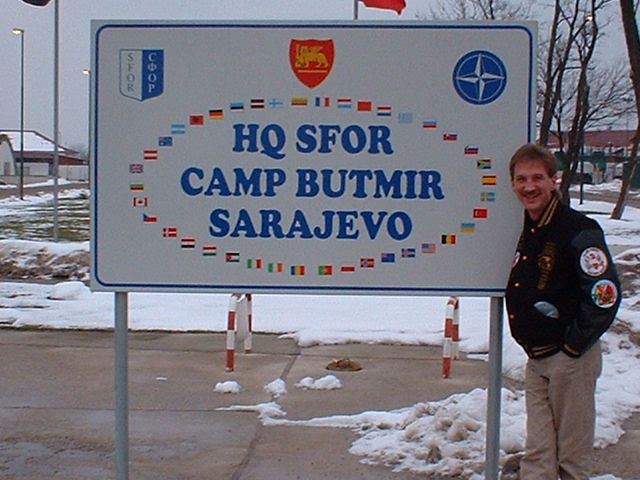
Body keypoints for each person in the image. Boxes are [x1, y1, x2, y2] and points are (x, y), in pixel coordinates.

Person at [505, 143, 621, 480]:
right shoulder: (530, 228)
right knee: (538, 454)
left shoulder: (577, 229)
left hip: (570, 360)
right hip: (536, 359)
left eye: (538, 178)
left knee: (571, 458)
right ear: (513, 183)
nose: (529, 187)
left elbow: (605, 295)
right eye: (521, 179)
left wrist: (572, 347)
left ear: (554, 180)